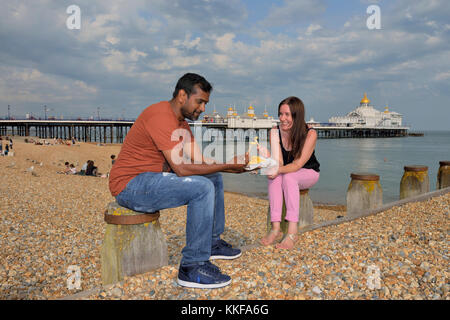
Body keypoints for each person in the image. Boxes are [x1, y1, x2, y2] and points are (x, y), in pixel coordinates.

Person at [109, 73, 249, 289]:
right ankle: (192, 266)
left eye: (205, 103)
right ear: (182, 95)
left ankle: (211, 243)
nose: (203, 108)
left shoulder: (182, 123)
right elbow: (182, 168)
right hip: (130, 185)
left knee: (213, 177)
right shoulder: (160, 115)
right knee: (202, 188)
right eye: (200, 101)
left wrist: (235, 164)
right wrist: (229, 166)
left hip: (152, 179)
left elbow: (202, 160)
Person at [259, 96, 320, 250]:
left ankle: (292, 232)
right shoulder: (274, 131)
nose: (282, 118)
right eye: (280, 114)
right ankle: (275, 228)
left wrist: (276, 169)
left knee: (288, 176)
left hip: (308, 172)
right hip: (288, 172)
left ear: (296, 115)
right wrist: (268, 161)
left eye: (287, 114)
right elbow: (279, 162)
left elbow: (298, 163)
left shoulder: (310, 134)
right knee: (275, 178)